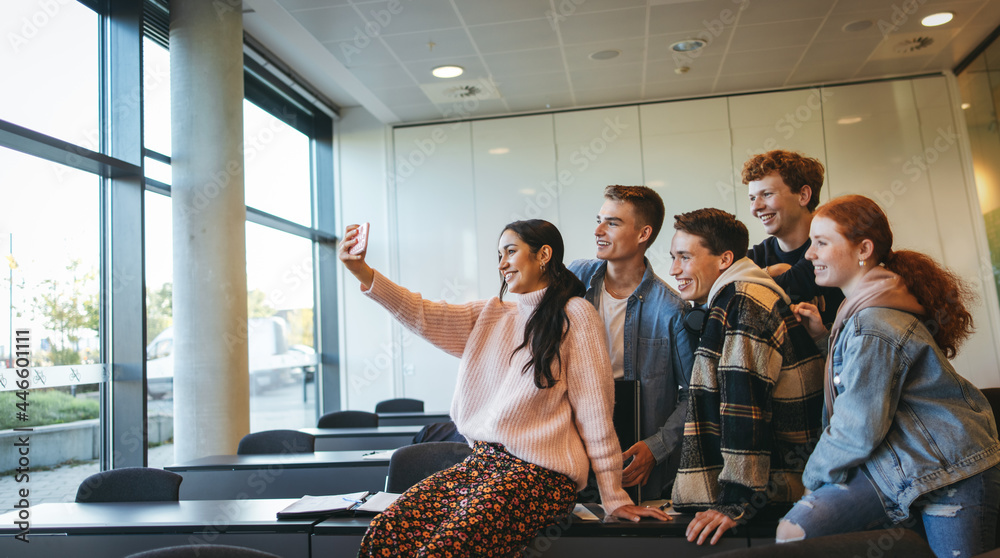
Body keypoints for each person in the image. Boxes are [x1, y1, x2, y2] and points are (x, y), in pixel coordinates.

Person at [340, 219, 669, 557]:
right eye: (499, 254)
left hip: (542, 477)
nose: (502, 264)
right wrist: (361, 271)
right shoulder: (491, 316)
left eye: (511, 252)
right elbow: (422, 313)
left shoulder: (575, 315)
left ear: (543, 255)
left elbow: (595, 414)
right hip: (482, 465)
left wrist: (614, 497)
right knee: (387, 532)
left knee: (444, 549)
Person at [778, 194, 1000, 557]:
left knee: (797, 530)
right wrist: (823, 340)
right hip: (900, 464)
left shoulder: (874, 322)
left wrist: (812, 482)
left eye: (821, 243)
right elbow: (863, 377)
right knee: (796, 532)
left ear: (863, 248)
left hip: (951, 471)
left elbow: (856, 429)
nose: (808, 255)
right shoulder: (867, 310)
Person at [666, 208, 825, 546]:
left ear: (724, 259)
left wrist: (736, 501)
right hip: (773, 489)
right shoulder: (735, 297)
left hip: (774, 495)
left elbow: (744, 402)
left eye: (684, 257)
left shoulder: (744, 301)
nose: (673, 270)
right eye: (673, 258)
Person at [568, 185, 697, 500]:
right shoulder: (573, 279)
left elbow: (694, 394)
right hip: (572, 447)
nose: (598, 230)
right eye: (599, 220)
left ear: (643, 234)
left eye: (612, 223)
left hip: (633, 452)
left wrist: (656, 448)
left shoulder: (670, 309)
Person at [742, 150, 844, 325]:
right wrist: (773, 271)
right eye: (752, 198)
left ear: (803, 196)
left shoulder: (832, 249)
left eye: (767, 194)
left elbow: (794, 283)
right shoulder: (757, 256)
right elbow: (720, 290)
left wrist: (754, 283)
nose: (756, 207)